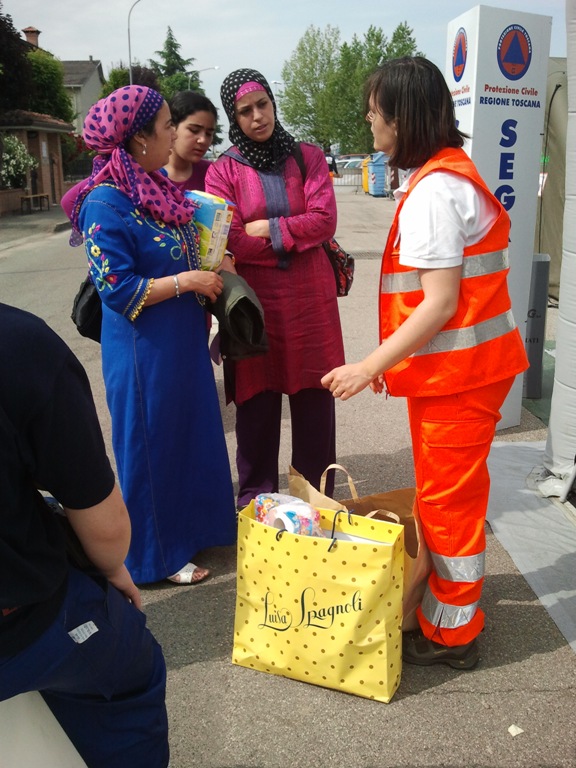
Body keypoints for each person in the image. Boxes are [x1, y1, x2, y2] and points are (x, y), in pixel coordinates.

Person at [322, 57, 529, 668]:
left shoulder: (435, 192)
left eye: (375, 110)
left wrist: (368, 366)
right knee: (446, 498)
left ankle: (453, 633)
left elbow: (437, 304)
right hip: (462, 373)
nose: (369, 120)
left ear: (402, 117)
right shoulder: (442, 177)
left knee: (448, 505)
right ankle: (440, 608)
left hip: (460, 378)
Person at [67, 85, 237, 585]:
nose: (172, 134)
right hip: (144, 351)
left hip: (181, 339)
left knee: (189, 434)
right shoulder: (105, 202)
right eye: (166, 126)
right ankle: (152, 557)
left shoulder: (155, 188)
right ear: (139, 138)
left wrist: (211, 255)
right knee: (151, 445)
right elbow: (116, 288)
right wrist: (188, 281)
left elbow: (182, 246)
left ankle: (194, 530)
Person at [0, 302, 169, 767]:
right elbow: (103, 523)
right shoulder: (17, 343)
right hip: (19, 619)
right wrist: (111, 568)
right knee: (130, 668)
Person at [205, 68, 345, 507]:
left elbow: (325, 221)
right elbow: (231, 238)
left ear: (273, 102)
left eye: (262, 104)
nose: (257, 117)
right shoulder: (223, 171)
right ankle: (258, 508)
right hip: (255, 306)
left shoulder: (308, 157)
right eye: (245, 111)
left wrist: (268, 227)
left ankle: (317, 508)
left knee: (315, 407)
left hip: (311, 304)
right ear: (234, 117)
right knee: (256, 410)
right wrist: (295, 239)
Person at [164, 90, 218, 191]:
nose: (203, 140)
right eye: (194, 130)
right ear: (171, 127)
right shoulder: (147, 174)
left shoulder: (214, 174)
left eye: (209, 134)